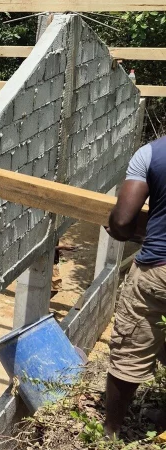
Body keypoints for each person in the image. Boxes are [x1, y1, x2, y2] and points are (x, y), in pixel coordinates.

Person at [104, 136, 166, 438]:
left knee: (130, 349)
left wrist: (119, 230)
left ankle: (110, 431)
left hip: (159, 270)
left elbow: (123, 220)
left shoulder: (152, 154)